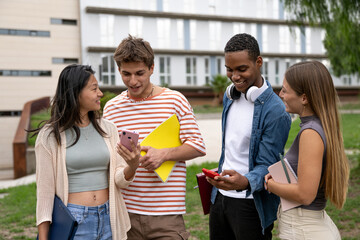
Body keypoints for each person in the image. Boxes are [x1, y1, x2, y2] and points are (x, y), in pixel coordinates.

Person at [103, 35, 206, 240]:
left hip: (166, 217)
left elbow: (197, 145)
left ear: (152, 68)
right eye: (126, 74)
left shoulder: (174, 100)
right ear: (119, 70)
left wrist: (165, 154)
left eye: (140, 73)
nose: (133, 81)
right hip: (125, 213)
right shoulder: (111, 108)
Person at [34, 64, 140, 240]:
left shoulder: (109, 129)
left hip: (109, 218)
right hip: (74, 222)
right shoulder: (50, 136)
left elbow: (119, 180)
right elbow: (44, 195)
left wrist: (133, 165)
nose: (100, 93)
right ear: (75, 93)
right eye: (94, 88)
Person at [206, 33, 292, 239]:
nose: (235, 76)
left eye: (242, 69)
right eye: (229, 69)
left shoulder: (276, 111)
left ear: (258, 62)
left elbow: (268, 165)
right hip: (219, 199)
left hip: (250, 204)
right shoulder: (231, 98)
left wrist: (244, 181)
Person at [264, 61, 349, 239]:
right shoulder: (320, 126)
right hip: (308, 226)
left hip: (303, 229)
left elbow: (305, 194)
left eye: (285, 90)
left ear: (304, 98)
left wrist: (271, 185)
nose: (280, 95)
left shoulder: (310, 133)